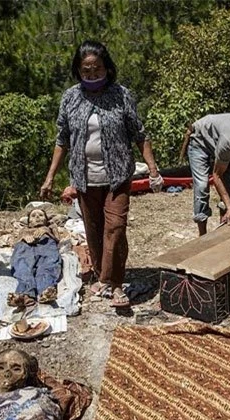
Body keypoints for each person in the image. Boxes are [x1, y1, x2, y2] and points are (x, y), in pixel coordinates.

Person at [41, 40, 162, 307]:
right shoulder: (71, 97)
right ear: (78, 71)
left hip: (117, 176)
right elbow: (62, 139)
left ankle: (114, 284)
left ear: (107, 67)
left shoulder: (121, 95)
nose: (92, 75)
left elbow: (139, 135)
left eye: (97, 69)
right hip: (84, 177)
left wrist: (153, 169)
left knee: (116, 227)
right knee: (94, 231)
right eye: (86, 71)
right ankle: (101, 276)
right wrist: (51, 176)